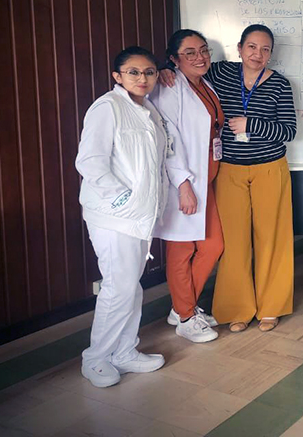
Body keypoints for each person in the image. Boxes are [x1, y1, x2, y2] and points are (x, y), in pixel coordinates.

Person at [75, 46, 169, 388]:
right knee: (118, 287)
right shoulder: (108, 107)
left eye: (149, 72)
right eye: (134, 72)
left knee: (130, 287)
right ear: (118, 76)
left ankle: (125, 352)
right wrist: (121, 198)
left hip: (140, 216)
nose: (142, 78)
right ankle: (96, 358)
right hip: (115, 216)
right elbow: (90, 162)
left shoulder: (148, 111)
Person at [207, 24, 297, 333]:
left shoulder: (280, 85)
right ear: (240, 47)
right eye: (252, 47)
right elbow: (187, 69)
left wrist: (252, 124)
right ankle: (237, 309)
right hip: (229, 169)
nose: (258, 54)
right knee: (233, 242)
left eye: (265, 49)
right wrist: (166, 71)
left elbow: (289, 131)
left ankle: (271, 307)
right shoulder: (221, 74)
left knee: (272, 239)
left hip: (270, 168)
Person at [150, 30, 225, 343]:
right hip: (183, 182)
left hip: (205, 178)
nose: (200, 57)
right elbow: (168, 141)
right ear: (174, 59)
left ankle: (183, 306)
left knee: (213, 246)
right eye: (190, 52)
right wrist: (182, 184)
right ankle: (184, 316)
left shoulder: (204, 84)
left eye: (204, 50)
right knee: (181, 251)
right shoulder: (169, 87)